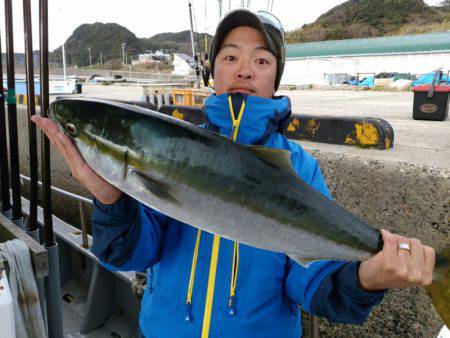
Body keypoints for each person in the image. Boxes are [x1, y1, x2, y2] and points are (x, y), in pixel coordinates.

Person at [32, 9, 435, 338]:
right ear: (212, 72)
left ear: (275, 77)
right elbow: (131, 254)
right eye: (230, 57)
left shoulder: (299, 167)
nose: (244, 70)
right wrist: (111, 200)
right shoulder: (166, 151)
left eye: (261, 60)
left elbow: (312, 283)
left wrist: (368, 275)